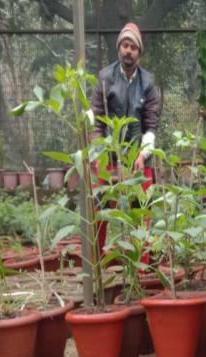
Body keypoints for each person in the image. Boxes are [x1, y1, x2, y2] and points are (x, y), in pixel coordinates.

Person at [90, 22, 160, 257]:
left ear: (139, 53)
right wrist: (99, 153)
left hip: (137, 159)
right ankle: (97, 268)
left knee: (142, 214)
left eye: (133, 47)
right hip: (108, 157)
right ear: (119, 49)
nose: (128, 51)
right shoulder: (105, 78)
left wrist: (143, 154)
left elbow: (151, 126)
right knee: (99, 213)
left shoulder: (148, 82)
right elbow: (97, 122)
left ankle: (141, 272)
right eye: (125, 45)